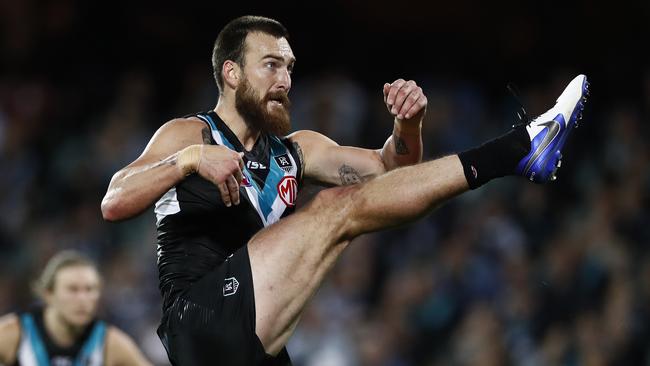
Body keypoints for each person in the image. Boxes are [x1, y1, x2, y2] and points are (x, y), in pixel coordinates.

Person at [100, 15, 589, 365]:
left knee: (345, 207)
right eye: (270, 65)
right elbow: (115, 200)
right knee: (333, 209)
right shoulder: (190, 134)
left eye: (290, 67)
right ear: (231, 73)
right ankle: (520, 148)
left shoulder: (297, 151)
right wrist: (187, 160)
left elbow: (388, 176)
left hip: (257, 340)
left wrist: (408, 126)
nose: (286, 79)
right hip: (200, 320)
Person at [0, 250, 152, 366]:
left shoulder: (109, 342)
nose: (82, 299)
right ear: (48, 294)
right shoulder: (16, 334)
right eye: (73, 289)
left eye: (90, 289)